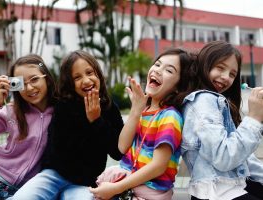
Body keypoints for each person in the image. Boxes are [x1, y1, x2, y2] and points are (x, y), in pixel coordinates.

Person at [11, 50, 124, 200]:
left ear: (98, 74)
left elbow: (117, 152)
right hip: (53, 176)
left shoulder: (109, 108)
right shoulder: (64, 106)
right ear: (70, 83)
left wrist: (96, 121)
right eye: (77, 77)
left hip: (84, 184)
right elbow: (62, 150)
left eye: (90, 72)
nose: (86, 80)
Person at [89, 48, 195, 200]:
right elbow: (122, 147)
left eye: (169, 70)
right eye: (157, 64)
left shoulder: (169, 116)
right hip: (127, 186)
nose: (158, 71)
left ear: (179, 86)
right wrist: (135, 111)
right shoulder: (143, 110)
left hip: (148, 192)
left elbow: (158, 166)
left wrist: (115, 188)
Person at [0, 54, 57, 199]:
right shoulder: (12, 111)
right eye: (22, 83)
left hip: (21, 186)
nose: (29, 87)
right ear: (14, 85)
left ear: (47, 78)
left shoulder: (61, 113)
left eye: (34, 79)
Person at [179, 41, 263, 200]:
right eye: (220, 68)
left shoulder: (216, 103)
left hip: (228, 188)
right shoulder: (204, 100)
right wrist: (254, 118)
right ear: (205, 64)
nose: (226, 77)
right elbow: (223, 157)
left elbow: (244, 160)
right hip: (219, 193)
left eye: (232, 74)